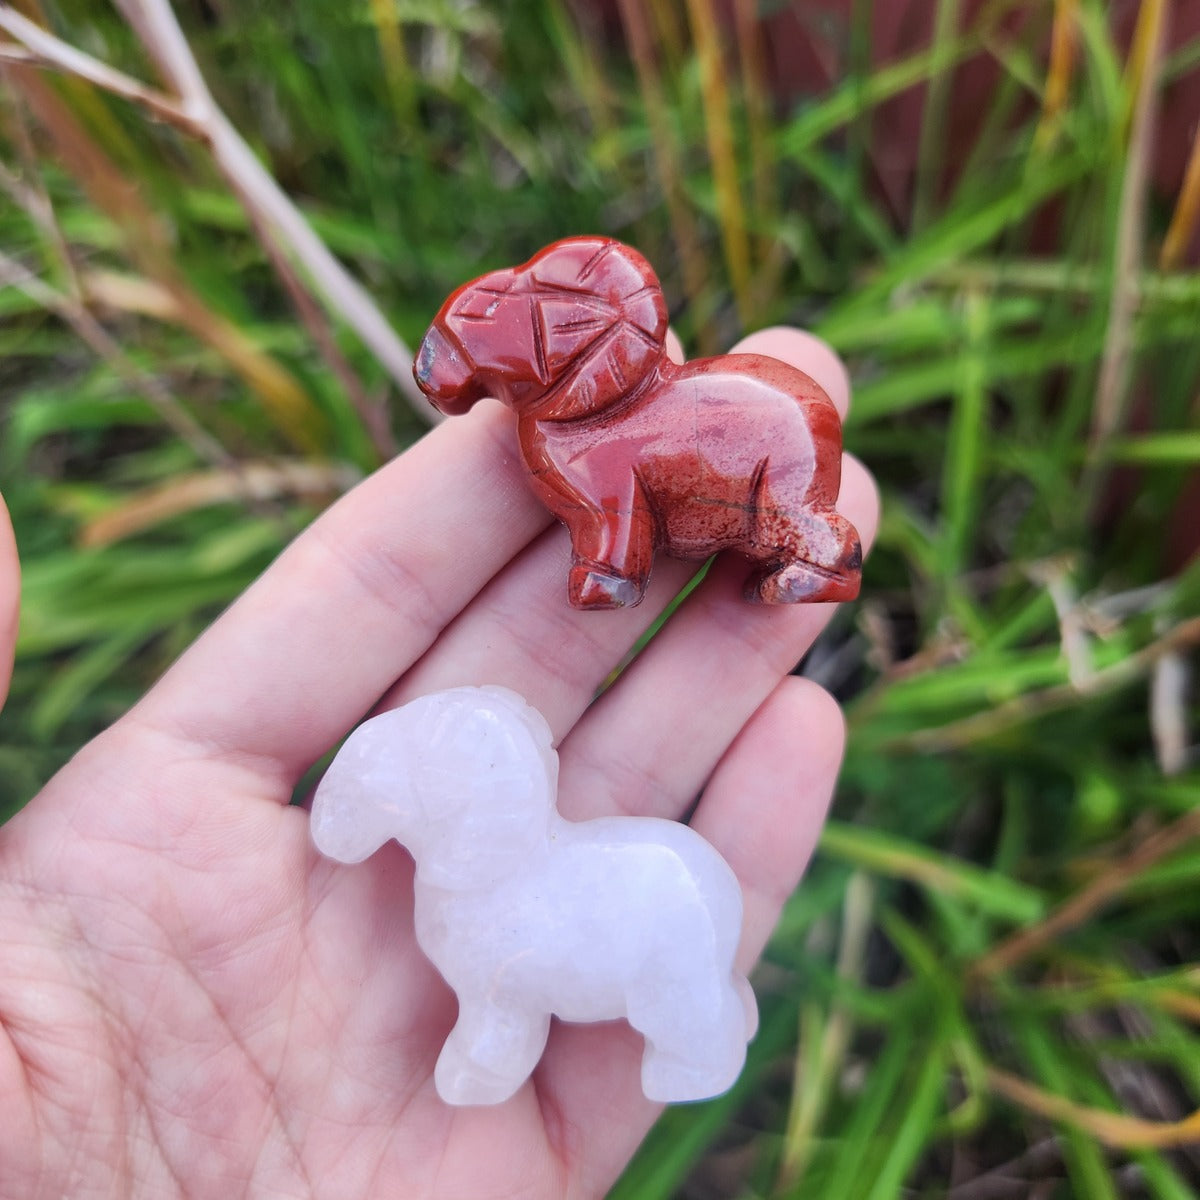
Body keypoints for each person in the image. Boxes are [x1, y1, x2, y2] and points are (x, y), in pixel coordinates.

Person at [0, 328, 877, 1198]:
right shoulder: (463, 889)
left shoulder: (532, 883)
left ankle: (698, 1041)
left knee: (670, 994)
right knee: (503, 990)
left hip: (658, 902)